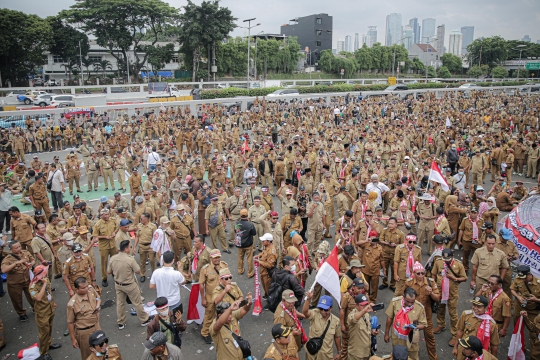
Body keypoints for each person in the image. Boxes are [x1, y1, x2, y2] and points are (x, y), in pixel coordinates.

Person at [396, 262, 440, 360]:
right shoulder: (409, 283)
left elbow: (437, 298)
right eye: (418, 273)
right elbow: (401, 296)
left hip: (426, 317)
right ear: (414, 273)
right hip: (412, 317)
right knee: (409, 339)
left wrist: (431, 293)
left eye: (422, 273)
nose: (421, 275)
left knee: (430, 339)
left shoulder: (430, 282)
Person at [107, 239, 152, 329]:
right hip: (129, 284)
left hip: (118, 284)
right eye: (130, 247)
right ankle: (144, 320)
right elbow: (138, 271)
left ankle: (121, 322)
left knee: (120, 303)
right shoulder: (130, 259)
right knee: (137, 302)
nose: (131, 248)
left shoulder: (113, 258)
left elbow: (109, 272)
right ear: (126, 249)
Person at [384, 287, 427, 360]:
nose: (410, 304)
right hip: (397, 339)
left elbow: (424, 324)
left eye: (412, 302)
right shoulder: (395, 302)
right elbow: (390, 318)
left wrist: (415, 327)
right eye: (407, 301)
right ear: (403, 297)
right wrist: (386, 333)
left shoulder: (419, 307)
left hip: (410, 342)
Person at [29, 264, 61, 359]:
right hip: (42, 312)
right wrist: (44, 285)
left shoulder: (46, 280)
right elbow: (38, 298)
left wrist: (53, 302)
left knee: (49, 328)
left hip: (49, 308)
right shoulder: (33, 286)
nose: (46, 274)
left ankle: (49, 343)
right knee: (44, 333)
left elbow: (49, 292)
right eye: (44, 273)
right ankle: (44, 351)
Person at [67, 276, 102, 360]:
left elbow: (98, 298)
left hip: (96, 326)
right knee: (88, 355)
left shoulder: (90, 289)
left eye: (87, 286)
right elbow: (70, 322)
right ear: (76, 289)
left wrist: (97, 305)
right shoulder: (72, 304)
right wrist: (73, 339)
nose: (86, 289)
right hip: (84, 332)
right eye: (83, 288)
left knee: (101, 350)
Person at [199, 249, 228, 344]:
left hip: (222, 295)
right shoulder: (205, 269)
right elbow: (201, 285)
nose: (217, 259)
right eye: (215, 258)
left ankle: (222, 328)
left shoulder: (224, 266)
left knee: (224, 312)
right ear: (210, 258)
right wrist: (203, 299)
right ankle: (205, 333)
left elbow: (228, 279)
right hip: (210, 298)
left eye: (218, 257)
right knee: (209, 316)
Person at [1, 240, 35, 321]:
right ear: (10, 249)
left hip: (27, 280)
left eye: (19, 246)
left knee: (31, 295)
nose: (19, 249)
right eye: (16, 248)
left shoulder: (25, 253)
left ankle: (35, 308)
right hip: (15, 283)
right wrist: (16, 263)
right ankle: (22, 313)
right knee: (17, 300)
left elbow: (32, 260)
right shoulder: (7, 259)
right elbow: (3, 270)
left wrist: (31, 264)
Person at [302, 293, 342, 360]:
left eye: (326, 309)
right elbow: (305, 312)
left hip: (326, 356)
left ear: (331, 308)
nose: (323, 311)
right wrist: (308, 299)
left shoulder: (336, 321)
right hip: (312, 354)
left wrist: (339, 352)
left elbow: (337, 337)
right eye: (321, 308)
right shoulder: (314, 314)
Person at [92, 208, 118, 287]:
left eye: (108, 214)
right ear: (101, 215)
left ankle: (114, 273)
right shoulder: (98, 224)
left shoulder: (113, 220)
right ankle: (104, 278)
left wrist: (114, 232)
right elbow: (95, 236)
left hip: (113, 244)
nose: (107, 216)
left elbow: (117, 227)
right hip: (104, 246)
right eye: (105, 215)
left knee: (114, 260)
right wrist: (104, 237)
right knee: (104, 262)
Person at [347, 294, 377, 360]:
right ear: (356, 305)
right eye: (362, 305)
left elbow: (366, 329)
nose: (365, 306)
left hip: (366, 352)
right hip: (356, 355)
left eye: (366, 304)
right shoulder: (352, 315)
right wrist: (364, 311)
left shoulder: (366, 315)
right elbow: (353, 319)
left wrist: (373, 332)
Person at [133, 211, 157, 281]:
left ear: (146, 219)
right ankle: (142, 274)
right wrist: (135, 246)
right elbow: (137, 236)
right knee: (142, 261)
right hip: (142, 246)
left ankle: (154, 274)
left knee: (152, 261)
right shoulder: (139, 226)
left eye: (141, 219)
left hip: (150, 246)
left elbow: (155, 238)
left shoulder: (153, 226)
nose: (140, 220)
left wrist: (156, 248)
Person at [254, 233, 277, 299]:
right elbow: (264, 252)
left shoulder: (272, 252)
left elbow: (270, 265)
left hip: (267, 274)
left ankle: (270, 302)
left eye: (263, 241)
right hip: (263, 272)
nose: (262, 242)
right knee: (265, 286)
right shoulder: (267, 247)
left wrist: (259, 261)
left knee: (268, 288)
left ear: (269, 241)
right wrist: (259, 255)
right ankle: (267, 295)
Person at [235, 208, 257, 278]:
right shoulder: (250, 224)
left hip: (240, 243)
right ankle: (250, 273)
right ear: (247, 215)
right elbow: (254, 233)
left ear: (240, 215)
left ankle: (240, 270)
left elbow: (236, 231)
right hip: (248, 244)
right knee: (249, 259)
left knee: (240, 258)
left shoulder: (237, 223)